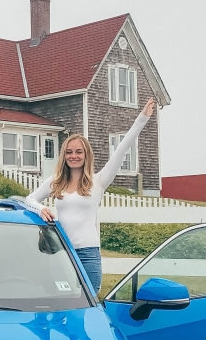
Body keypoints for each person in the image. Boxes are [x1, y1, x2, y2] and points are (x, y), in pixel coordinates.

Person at [24, 98, 155, 294]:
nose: (73, 156)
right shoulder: (56, 181)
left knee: (89, 304)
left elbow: (121, 150)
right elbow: (29, 200)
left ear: (86, 155)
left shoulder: (99, 181)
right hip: (62, 252)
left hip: (88, 254)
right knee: (62, 303)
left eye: (78, 152)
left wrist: (142, 118)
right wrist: (41, 208)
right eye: (69, 152)